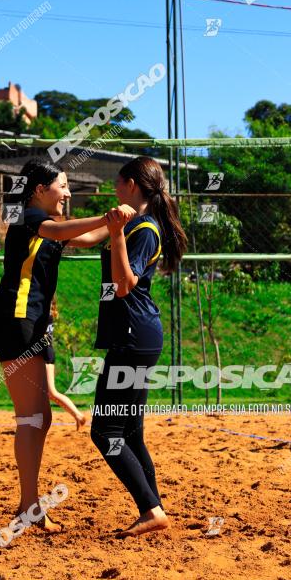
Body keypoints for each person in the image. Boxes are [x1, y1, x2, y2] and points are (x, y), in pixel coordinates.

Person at [0, 158, 134, 532]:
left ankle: (28, 506)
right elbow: (60, 230)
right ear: (40, 190)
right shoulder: (30, 221)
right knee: (32, 417)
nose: (67, 192)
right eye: (62, 185)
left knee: (41, 416)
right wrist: (109, 215)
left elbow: (85, 237)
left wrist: (121, 223)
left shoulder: (50, 227)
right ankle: (27, 507)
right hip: (15, 321)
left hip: (31, 323)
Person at [90, 156, 188, 538]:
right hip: (136, 336)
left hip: (133, 338)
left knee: (105, 431)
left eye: (117, 183)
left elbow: (124, 284)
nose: (114, 189)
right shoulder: (134, 224)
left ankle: (150, 510)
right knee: (129, 432)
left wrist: (115, 233)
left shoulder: (143, 230)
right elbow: (87, 240)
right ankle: (154, 507)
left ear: (131, 184)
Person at [44, 296, 86, 430]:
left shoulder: (42, 312)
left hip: (44, 352)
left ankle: (78, 415)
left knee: (51, 392)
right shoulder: (47, 311)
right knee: (40, 392)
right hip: (46, 351)